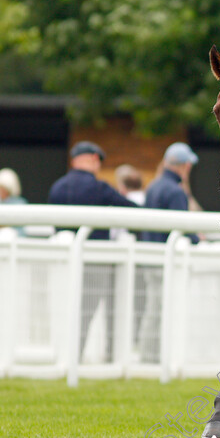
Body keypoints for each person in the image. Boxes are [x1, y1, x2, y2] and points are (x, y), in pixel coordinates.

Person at [48, 141, 139, 363]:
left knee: (65, 307)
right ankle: (101, 356)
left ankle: (66, 354)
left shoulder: (57, 187)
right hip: (95, 261)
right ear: (94, 160)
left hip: (62, 261)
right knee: (95, 310)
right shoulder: (99, 188)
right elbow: (134, 212)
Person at [48, 141, 139, 239]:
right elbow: (132, 209)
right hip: (93, 250)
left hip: (62, 251)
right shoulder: (100, 187)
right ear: (95, 158)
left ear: (73, 162)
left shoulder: (57, 186)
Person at [141, 142, 201, 243]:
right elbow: (183, 227)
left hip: (149, 249)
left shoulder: (152, 186)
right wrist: (197, 240)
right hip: (167, 253)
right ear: (187, 166)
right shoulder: (176, 192)